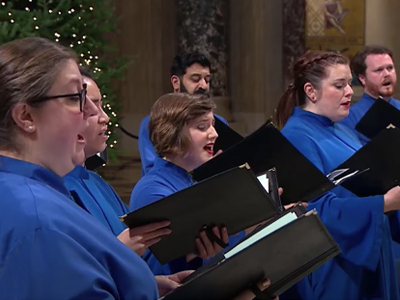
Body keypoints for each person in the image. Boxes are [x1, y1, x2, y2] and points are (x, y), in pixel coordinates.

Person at [0, 36, 272, 300]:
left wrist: (149, 286)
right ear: (26, 117)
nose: (91, 115)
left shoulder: (32, 196)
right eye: (75, 98)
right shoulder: (38, 221)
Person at [275, 50, 400, 299]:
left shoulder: (341, 128)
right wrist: (383, 203)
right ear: (311, 91)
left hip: (369, 247)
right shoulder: (297, 136)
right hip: (337, 263)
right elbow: (309, 209)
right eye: (339, 85)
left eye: (350, 83)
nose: (350, 92)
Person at [131, 93, 246, 275]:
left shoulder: (190, 181)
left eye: (213, 126)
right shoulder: (152, 190)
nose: (214, 134)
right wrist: (195, 250)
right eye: (202, 127)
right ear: (173, 132)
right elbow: (156, 267)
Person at [63, 67, 171, 256]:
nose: (105, 117)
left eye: (100, 106)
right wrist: (119, 253)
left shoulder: (97, 183)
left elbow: (140, 249)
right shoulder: (55, 188)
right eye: (89, 108)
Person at [138, 52, 228, 176]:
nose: (203, 85)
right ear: (176, 82)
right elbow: (153, 169)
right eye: (195, 79)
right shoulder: (153, 122)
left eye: (207, 80)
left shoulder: (220, 122)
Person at [340, 45, 400, 145]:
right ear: (362, 78)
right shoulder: (349, 118)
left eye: (390, 68)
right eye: (379, 70)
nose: (387, 74)